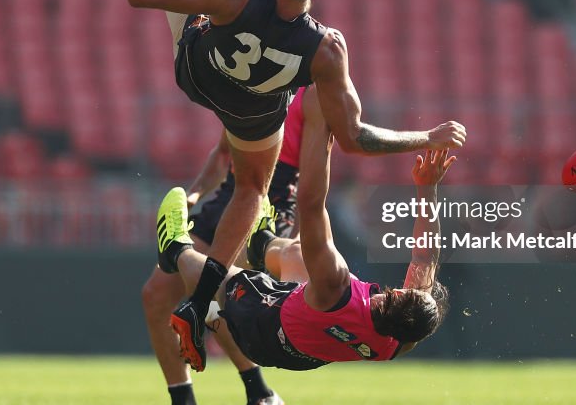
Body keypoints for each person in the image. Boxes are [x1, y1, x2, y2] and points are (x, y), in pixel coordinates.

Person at [69, 0, 466, 372]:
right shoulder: (326, 50)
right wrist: (419, 137)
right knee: (253, 193)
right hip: (253, 116)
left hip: (199, 73)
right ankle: (204, 300)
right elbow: (356, 139)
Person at [154, 103, 455, 370]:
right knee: (298, 254)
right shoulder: (402, 341)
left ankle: (176, 249)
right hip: (303, 353)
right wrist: (426, 188)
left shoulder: (335, 285)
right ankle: (264, 243)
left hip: (261, 328)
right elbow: (425, 256)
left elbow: (311, 206)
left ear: (400, 294)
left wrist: (322, 132)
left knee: (221, 276)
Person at [141, 86, 310, 405]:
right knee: (156, 295)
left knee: (221, 299)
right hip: (228, 197)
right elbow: (222, 155)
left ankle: (259, 392)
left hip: (268, 203)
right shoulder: (252, 83)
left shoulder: (315, 93)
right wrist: (194, 194)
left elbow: (323, 164)